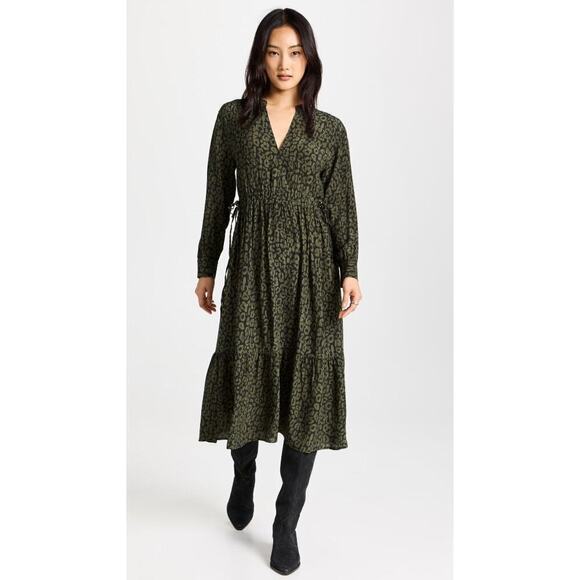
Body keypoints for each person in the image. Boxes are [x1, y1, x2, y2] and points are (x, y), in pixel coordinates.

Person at [194, 8, 363, 575]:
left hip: (312, 277)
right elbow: (216, 196)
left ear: (309, 58)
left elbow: (341, 205)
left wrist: (349, 269)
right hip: (251, 269)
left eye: (295, 52)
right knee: (246, 375)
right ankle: (244, 472)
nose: (284, 63)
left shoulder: (330, 129)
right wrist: (206, 266)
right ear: (259, 58)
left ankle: (286, 519)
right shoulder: (233, 119)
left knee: (306, 394)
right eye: (274, 51)